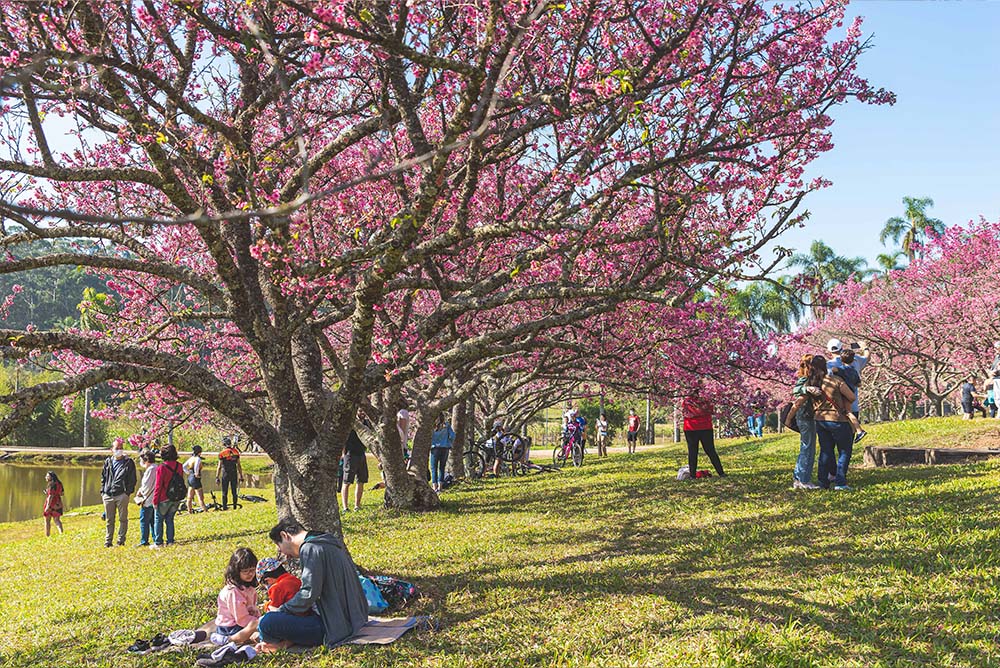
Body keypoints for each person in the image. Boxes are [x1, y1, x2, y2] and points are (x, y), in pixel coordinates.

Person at [257, 520, 368, 649]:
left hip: (333, 626)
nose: (284, 554)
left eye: (279, 547)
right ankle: (285, 642)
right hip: (354, 618)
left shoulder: (310, 548)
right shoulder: (326, 541)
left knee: (266, 623)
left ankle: (281, 643)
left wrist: (282, 610)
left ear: (285, 536)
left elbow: (308, 593)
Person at [813, 354, 857, 491]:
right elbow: (851, 396)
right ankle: (840, 481)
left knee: (825, 451)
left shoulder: (812, 383)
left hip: (820, 420)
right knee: (844, 450)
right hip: (838, 420)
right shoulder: (835, 380)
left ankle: (823, 481)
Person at [791, 354, 825, 490]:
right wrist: (807, 389)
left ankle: (799, 478)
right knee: (808, 448)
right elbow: (796, 391)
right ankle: (804, 480)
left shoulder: (810, 378)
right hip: (806, 417)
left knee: (806, 447)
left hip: (806, 416)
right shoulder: (805, 379)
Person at [215, 547, 261, 645]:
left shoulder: (248, 587)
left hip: (244, 622)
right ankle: (227, 640)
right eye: (245, 571)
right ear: (236, 571)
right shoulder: (233, 592)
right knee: (261, 636)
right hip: (230, 628)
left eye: (252, 570)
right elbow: (242, 618)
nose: (250, 574)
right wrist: (259, 622)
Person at [827, 338, 869, 442]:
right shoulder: (856, 361)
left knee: (832, 444)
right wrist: (865, 347)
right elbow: (867, 357)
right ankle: (857, 431)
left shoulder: (828, 365)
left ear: (829, 351)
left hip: (833, 410)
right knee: (847, 443)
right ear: (842, 348)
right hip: (854, 403)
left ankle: (859, 431)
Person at [100, 440, 137, 547]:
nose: (119, 450)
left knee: (123, 519)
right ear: (112, 449)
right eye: (117, 448)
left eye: (121, 448)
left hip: (122, 494)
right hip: (108, 494)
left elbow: (132, 479)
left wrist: (127, 492)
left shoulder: (128, 462)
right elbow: (103, 477)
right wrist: (103, 491)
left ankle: (121, 540)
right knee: (109, 519)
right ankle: (108, 541)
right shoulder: (108, 462)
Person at [681, 390, 725, 478]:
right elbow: (711, 410)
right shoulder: (707, 401)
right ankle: (721, 473)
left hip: (691, 428)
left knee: (693, 452)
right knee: (710, 451)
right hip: (705, 427)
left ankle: (692, 475)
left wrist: (694, 412)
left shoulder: (687, 401)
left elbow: (685, 413)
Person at [152, 444, 184, 547]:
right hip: (176, 497)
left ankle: (158, 542)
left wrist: (155, 500)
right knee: (170, 519)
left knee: (158, 520)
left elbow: (158, 485)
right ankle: (170, 541)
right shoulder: (179, 466)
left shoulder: (162, 467)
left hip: (163, 498)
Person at [134, 449, 159, 546]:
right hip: (154, 499)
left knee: (144, 520)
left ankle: (144, 540)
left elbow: (147, 485)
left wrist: (140, 493)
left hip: (148, 499)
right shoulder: (156, 467)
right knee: (152, 520)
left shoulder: (151, 469)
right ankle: (155, 538)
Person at [341, 429, 368, 512]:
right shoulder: (350, 423)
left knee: (361, 481)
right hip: (350, 454)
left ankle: (357, 506)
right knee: (347, 482)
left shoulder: (365, 423)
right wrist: (343, 454)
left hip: (361, 454)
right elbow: (343, 439)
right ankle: (345, 508)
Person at [215, 437, 244, 510]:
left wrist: (217, 477)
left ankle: (224, 507)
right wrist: (241, 475)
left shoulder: (222, 453)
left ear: (224, 444)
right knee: (234, 491)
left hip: (225, 473)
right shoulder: (236, 452)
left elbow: (219, 466)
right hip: (234, 473)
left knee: (225, 491)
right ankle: (234, 506)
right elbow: (239, 465)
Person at [430, 413, 455, 493]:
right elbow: (452, 435)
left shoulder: (432, 426)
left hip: (434, 448)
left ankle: (434, 487)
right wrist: (449, 442)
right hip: (445, 447)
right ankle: (440, 487)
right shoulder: (446, 425)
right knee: (442, 468)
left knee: (433, 468)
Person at [183, 445, 208, 513]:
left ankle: (189, 510)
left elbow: (184, 466)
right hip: (195, 478)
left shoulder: (191, 458)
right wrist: (196, 473)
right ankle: (205, 510)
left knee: (190, 496)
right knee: (200, 496)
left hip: (190, 478)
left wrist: (188, 472)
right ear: (199, 452)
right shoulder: (198, 459)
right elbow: (196, 466)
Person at [43, 471, 64, 536]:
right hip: (58, 503)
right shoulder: (59, 483)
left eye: (47, 476)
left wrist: (47, 506)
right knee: (57, 520)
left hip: (51, 504)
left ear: (51, 477)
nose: (45, 477)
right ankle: (61, 533)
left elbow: (50, 496)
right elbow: (62, 493)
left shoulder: (51, 485)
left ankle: (47, 535)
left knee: (47, 521)